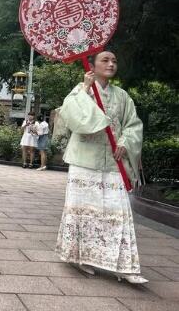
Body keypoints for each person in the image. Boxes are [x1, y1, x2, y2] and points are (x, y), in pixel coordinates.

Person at [55, 50, 147, 284]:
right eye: (105, 60)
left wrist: (125, 143)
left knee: (117, 211)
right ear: (93, 66)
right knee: (83, 210)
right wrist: (85, 89)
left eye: (114, 60)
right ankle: (80, 256)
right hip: (85, 160)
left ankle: (123, 265)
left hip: (114, 161)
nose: (111, 63)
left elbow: (133, 124)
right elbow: (70, 116)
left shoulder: (123, 96)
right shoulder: (81, 90)